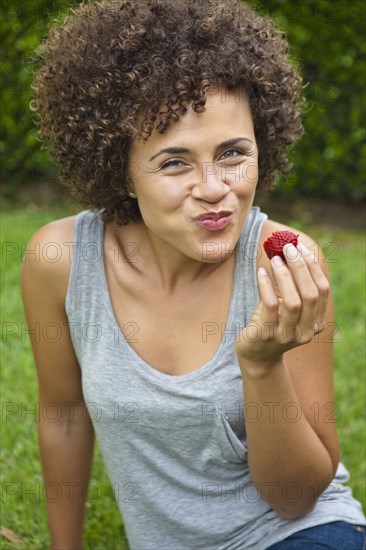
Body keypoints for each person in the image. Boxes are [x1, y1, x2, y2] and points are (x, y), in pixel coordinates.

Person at [21, 0, 365, 548]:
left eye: (233, 153)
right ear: (121, 170)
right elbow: (63, 416)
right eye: (175, 162)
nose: (213, 187)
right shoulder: (60, 261)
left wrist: (261, 364)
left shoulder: (281, 263)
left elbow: (295, 496)